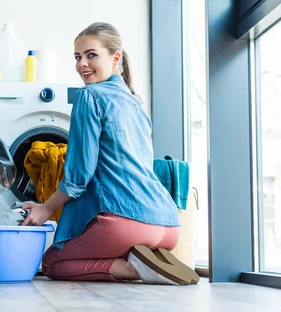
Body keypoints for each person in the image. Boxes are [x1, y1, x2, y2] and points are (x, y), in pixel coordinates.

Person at [18, 22, 198, 285]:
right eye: (78, 57)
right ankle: (145, 259)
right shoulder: (136, 102)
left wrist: (45, 208)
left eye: (92, 55)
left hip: (126, 223)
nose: (82, 64)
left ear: (115, 58)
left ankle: (132, 268)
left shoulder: (90, 96)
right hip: (168, 224)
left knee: (53, 263)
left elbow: (79, 175)